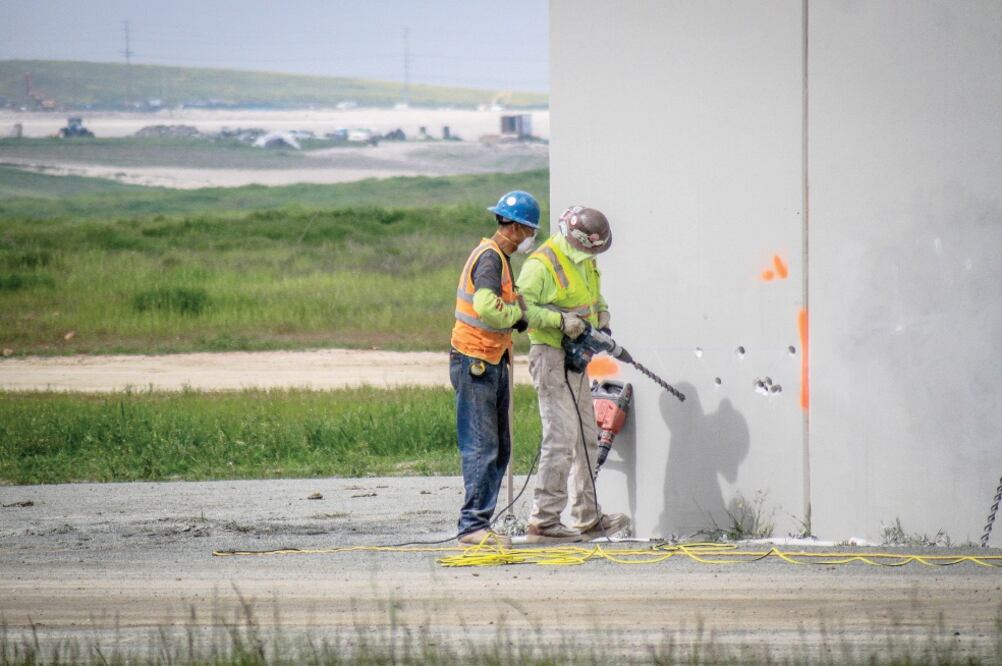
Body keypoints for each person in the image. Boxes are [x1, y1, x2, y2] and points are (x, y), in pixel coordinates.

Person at [516, 205, 631, 543]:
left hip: (575, 360)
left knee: (586, 437)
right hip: (550, 356)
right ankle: (544, 521)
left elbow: (593, 295)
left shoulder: (585, 258)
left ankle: (588, 516)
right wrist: (562, 322)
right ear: (576, 238)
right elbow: (521, 309)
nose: (593, 254)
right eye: (590, 248)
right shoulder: (541, 264)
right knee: (560, 437)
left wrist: (603, 317)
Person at [450, 190, 539, 547]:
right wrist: (517, 315)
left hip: (490, 359)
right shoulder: (489, 259)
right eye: (530, 230)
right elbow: (487, 307)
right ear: (515, 228)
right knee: (482, 447)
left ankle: (480, 521)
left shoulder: (500, 258)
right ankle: (472, 527)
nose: (531, 238)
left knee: (500, 447)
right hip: (475, 362)